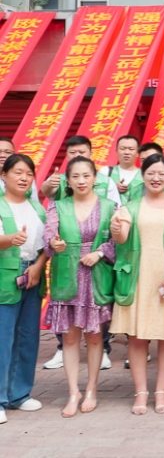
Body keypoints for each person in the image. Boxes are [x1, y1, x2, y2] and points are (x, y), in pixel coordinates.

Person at [109, 154, 164, 415]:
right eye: (151, 173)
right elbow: (121, 238)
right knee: (137, 337)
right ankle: (141, 392)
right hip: (138, 279)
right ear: (143, 176)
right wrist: (116, 231)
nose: (156, 178)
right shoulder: (130, 207)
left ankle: (161, 391)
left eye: (161, 173)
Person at [43, 157, 116, 417]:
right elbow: (48, 233)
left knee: (95, 336)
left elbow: (118, 239)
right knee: (70, 337)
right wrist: (54, 243)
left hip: (95, 275)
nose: (81, 181)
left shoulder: (109, 206)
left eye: (86, 175)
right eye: (75, 176)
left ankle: (92, 389)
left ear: (95, 178)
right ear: (68, 180)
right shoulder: (58, 205)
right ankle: (73, 392)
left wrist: (100, 252)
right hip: (67, 274)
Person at [0, 154, 48, 425]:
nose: (23, 178)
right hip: (5, 276)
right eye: (17, 172)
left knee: (28, 336)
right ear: (4, 176)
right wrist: (10, 239)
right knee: (3, 338)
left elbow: (46, 246)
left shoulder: (37, 208)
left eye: (29, 174)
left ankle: (19, 393)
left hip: (32, 274)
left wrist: (39, 266)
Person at [40, 135, 121, 205]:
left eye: (82, 152)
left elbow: (115, 207)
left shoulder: (107, 181)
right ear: (66, 156)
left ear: (90, 155)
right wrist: (49, 185)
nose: (77, 155)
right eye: (72, 152)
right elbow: (46, 191)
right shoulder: (57, 179)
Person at [109, 135, 143, 203]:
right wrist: (112, 189)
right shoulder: (106, 173)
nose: (126, 152)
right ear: (116, 152)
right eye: (122, 149)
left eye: (131, 149)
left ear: (138, 153)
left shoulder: (145, 175)